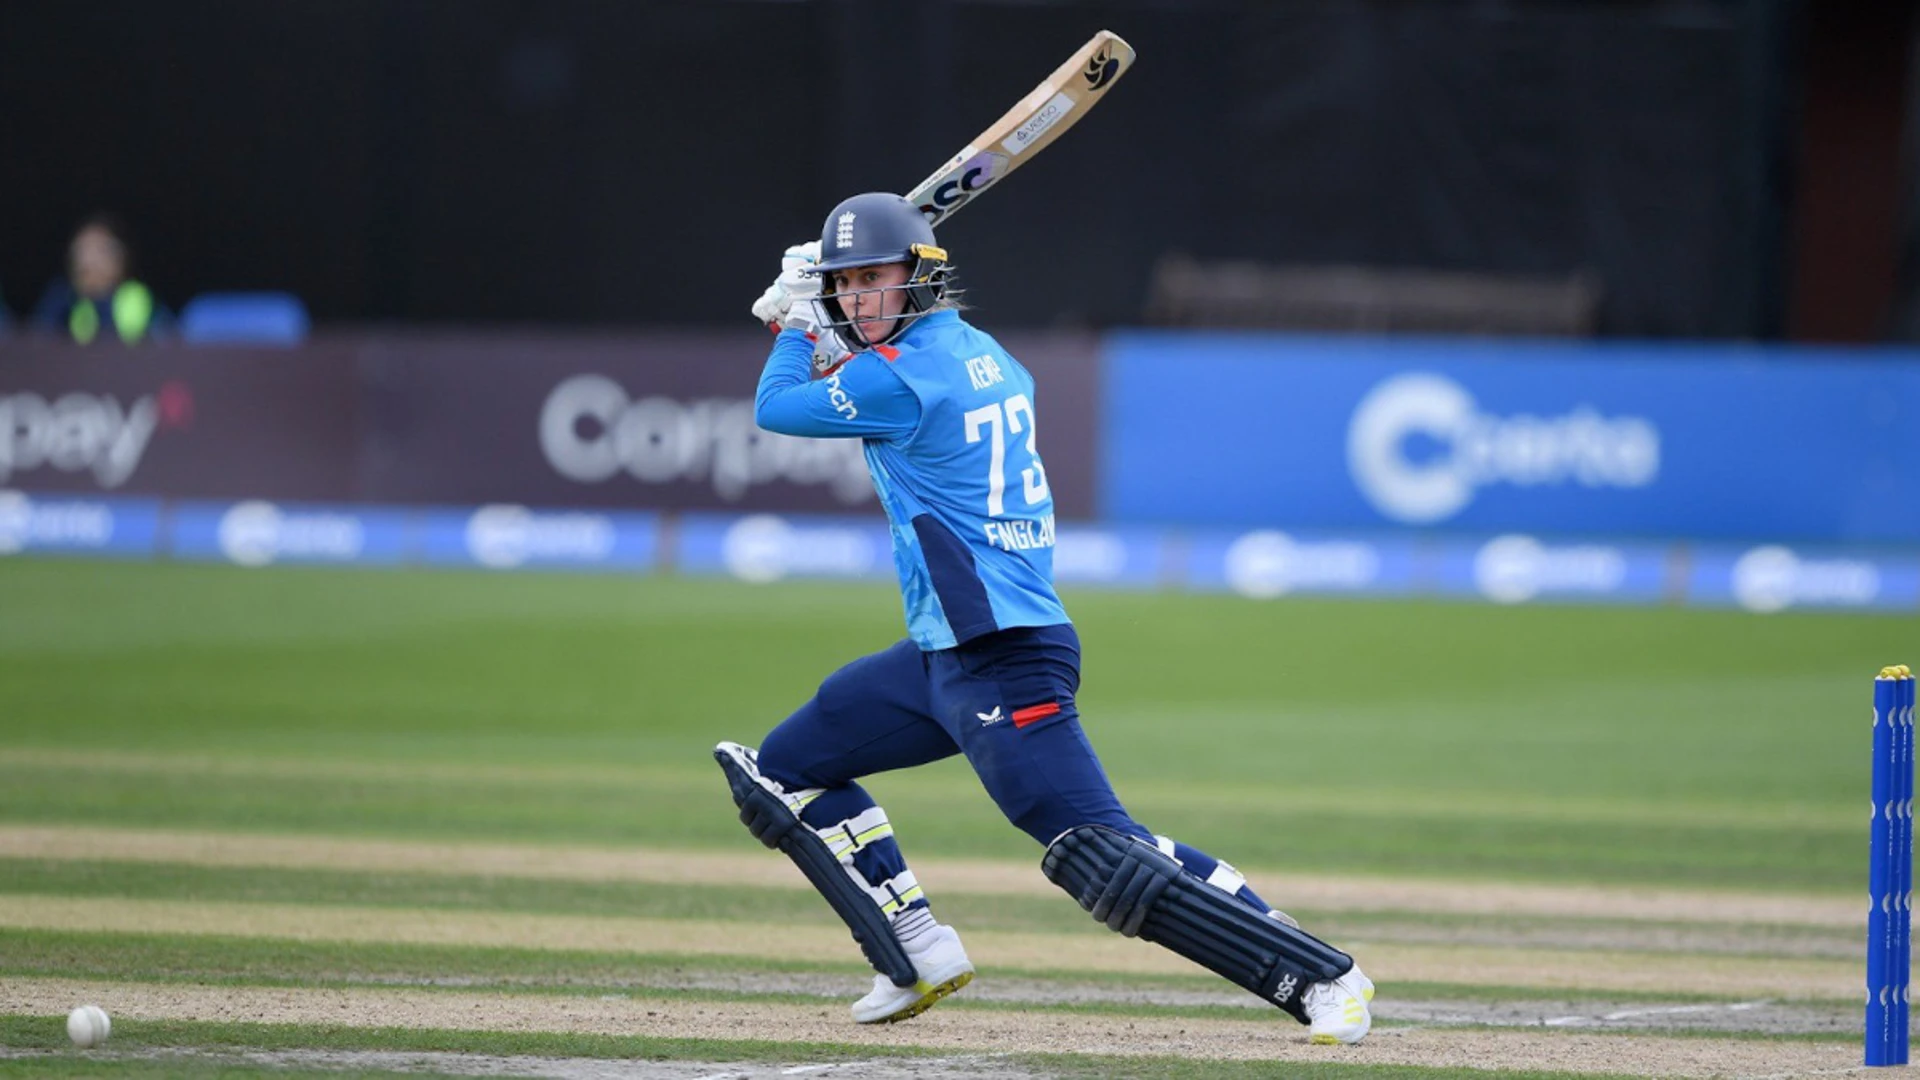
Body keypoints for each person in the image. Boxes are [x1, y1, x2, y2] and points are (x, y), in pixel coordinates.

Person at [714, 192, 1375, 1043]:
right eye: (843, 285)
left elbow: (779, 408)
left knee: (1103, 854)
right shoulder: (977, 353)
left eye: (872, 280)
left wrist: (796, 324)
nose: (855, 300)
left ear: (919, 278)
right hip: (940, 657)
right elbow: (867, 376)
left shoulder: (900, 377)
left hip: (1006, 658)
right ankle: (915, 948)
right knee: (789, 768)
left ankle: (1322, 975)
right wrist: (812, 320)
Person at [32, 214, 173, 345]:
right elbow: (38, 342)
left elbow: (170, 346)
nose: (87, 261)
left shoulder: (142, 299)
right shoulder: (62, 299)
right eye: (81, 251)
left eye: (98, 251)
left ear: (120, 258)